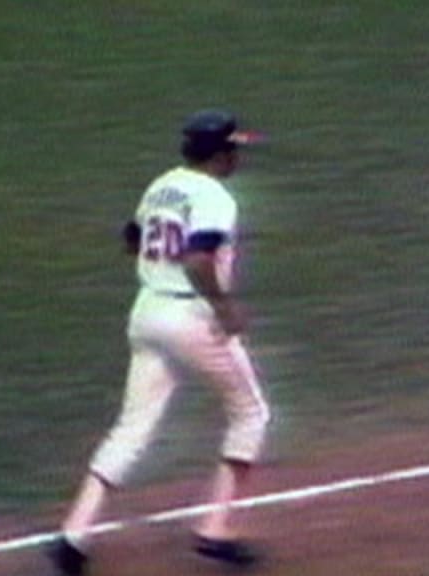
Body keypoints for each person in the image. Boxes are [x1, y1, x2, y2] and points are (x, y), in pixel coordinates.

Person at [47, 109, 272, 575]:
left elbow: (133, 239)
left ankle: (74, 535)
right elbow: (197, 257)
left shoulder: (161, 184)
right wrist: (225, 304)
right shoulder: (215, 197)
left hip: (147, 311)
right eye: (233, 149)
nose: (237, 157)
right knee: (251, 413)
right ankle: (215, 528)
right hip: (192, 316)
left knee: (132, 427)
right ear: (217, 154)